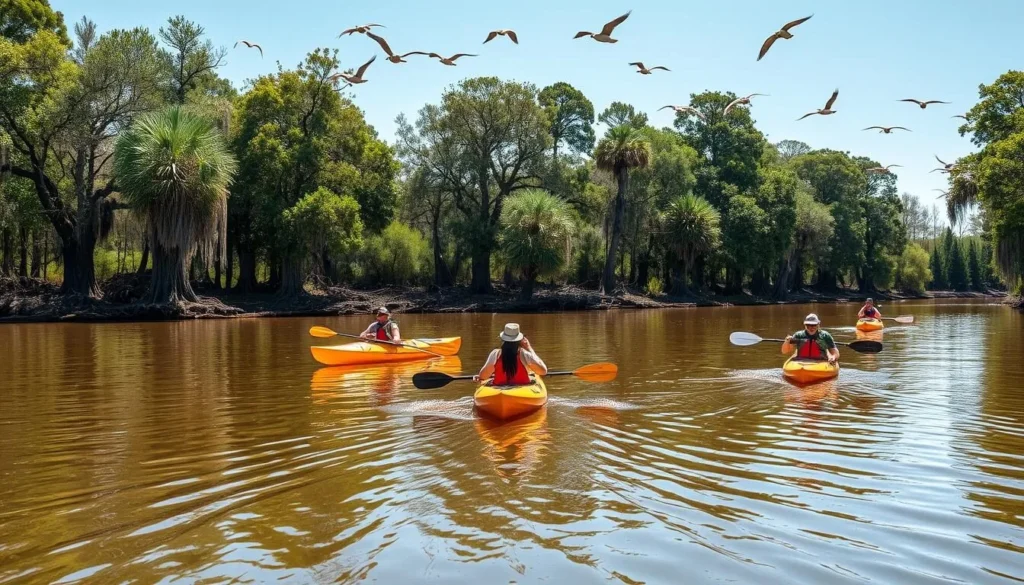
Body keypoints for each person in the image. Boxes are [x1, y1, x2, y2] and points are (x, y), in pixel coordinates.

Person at [475, 323, 548, 385]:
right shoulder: (524, 354)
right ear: (519, 340)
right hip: (522, 389)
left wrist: (479, 377)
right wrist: (529, 348)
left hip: (499, 388)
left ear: (503, 339)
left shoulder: (495, 354)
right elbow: (543, 371)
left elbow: (483, 376)